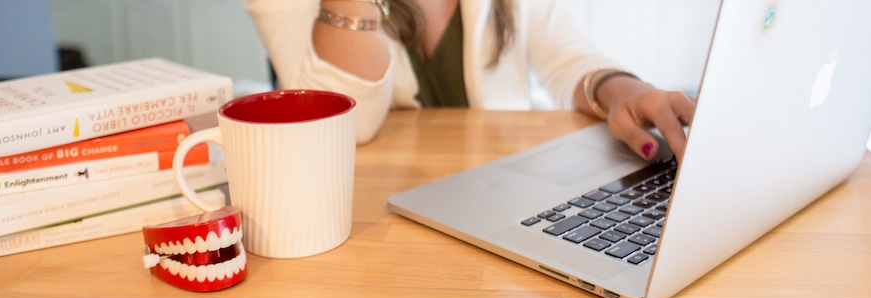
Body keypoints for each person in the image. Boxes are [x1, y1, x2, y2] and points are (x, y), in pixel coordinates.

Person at [244, 0, 695, 161]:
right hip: (366, 219)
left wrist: (619, 90)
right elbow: (346, 122)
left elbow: (566, 58)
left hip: (499, 203)